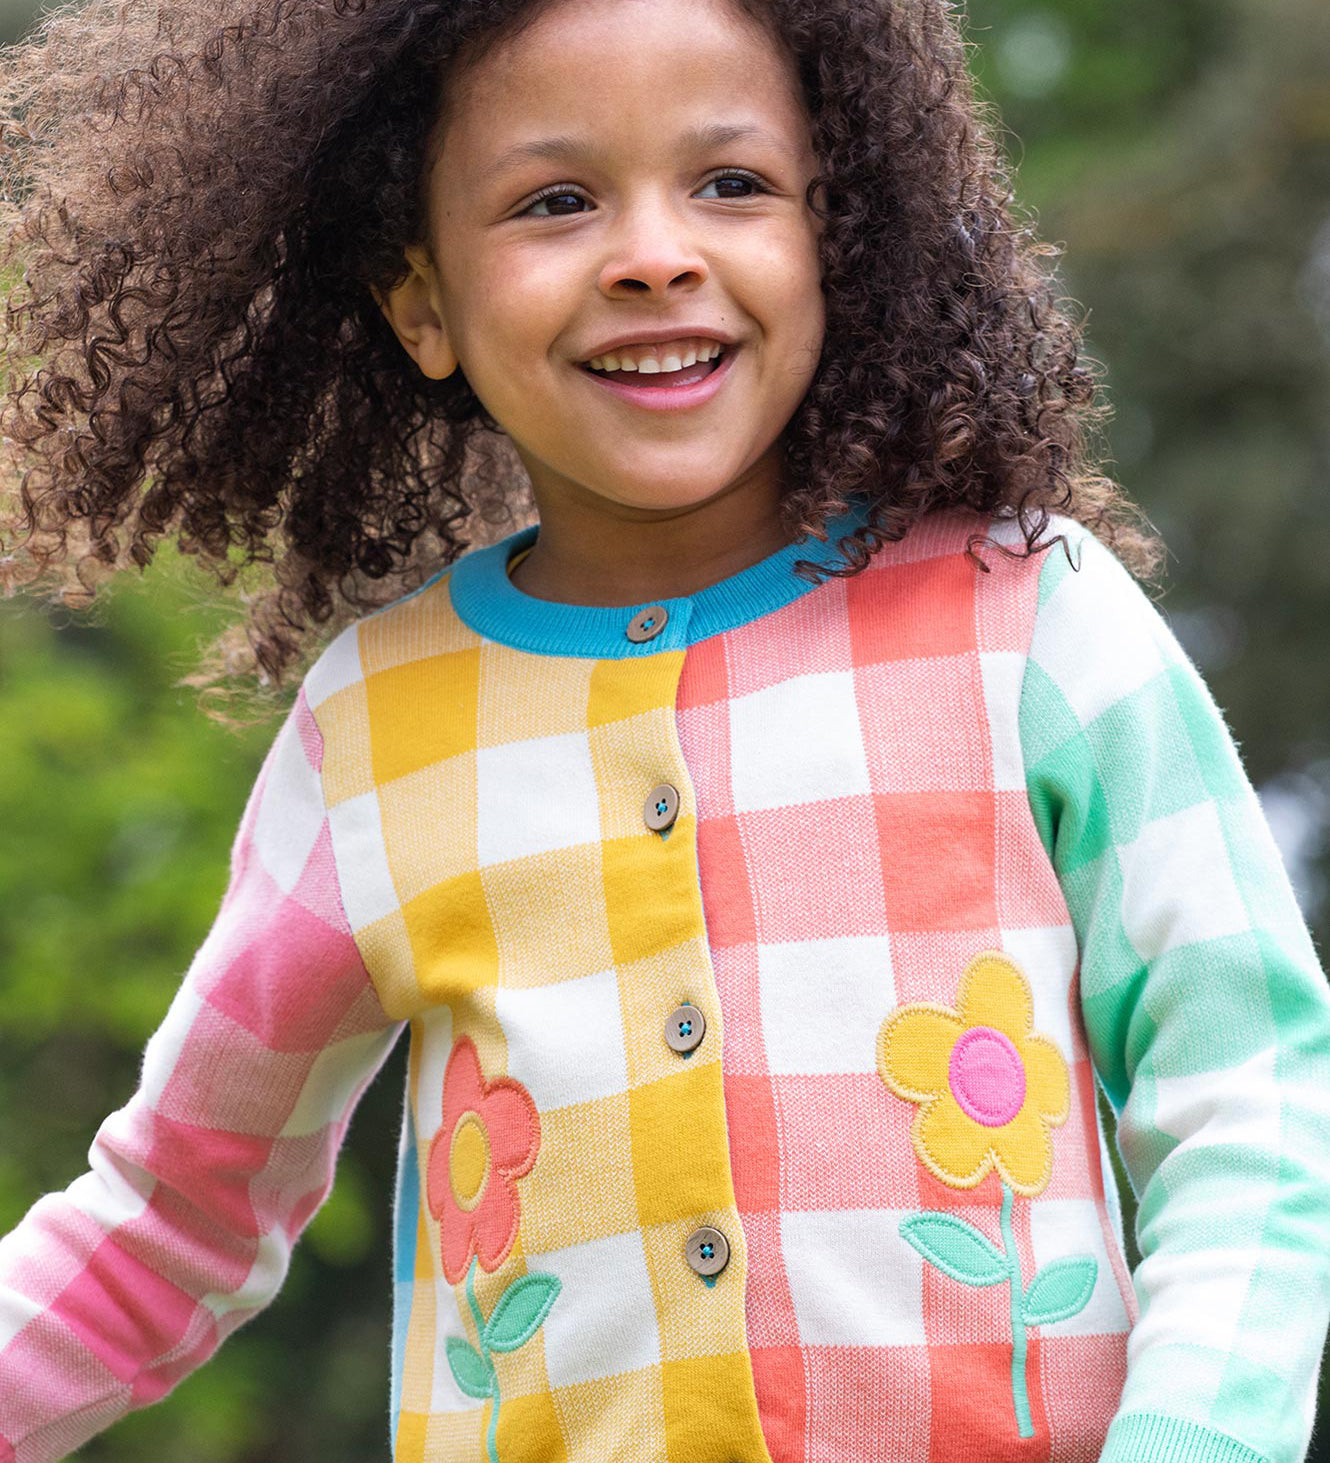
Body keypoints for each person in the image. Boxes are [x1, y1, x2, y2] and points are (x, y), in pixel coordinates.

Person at [1, 0, 1328, 1458]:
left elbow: (1253, 1104)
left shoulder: (1031, 620)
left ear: (839, 233)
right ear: (420, 301)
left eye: (731, 184)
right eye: (555, 200)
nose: (654, 252)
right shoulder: (374, 728)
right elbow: (167, 1218)